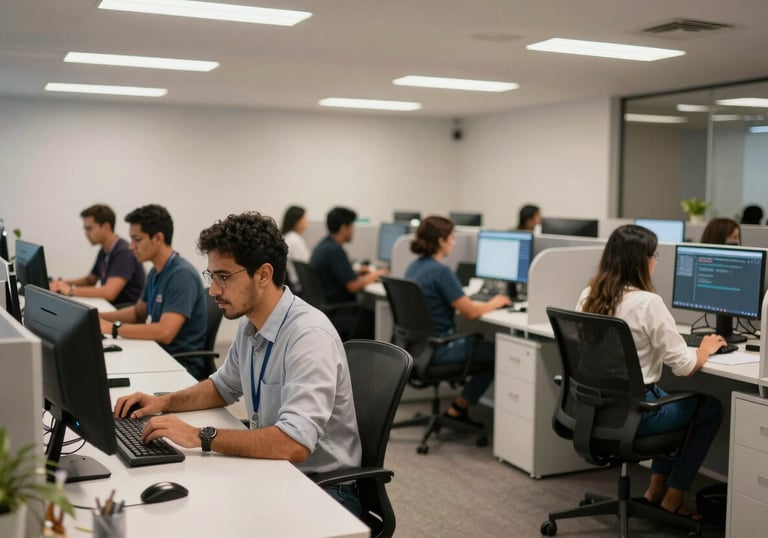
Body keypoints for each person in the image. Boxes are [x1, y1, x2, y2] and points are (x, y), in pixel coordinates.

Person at [113, 212, 362, 514]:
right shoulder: (252, 325)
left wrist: (200, 436)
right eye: (212, 276)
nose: (214, 290)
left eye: (224, 277)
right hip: (276, 471)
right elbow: (221, 387)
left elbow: (293, 444)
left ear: (264, 274)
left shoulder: (308, 336)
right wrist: (162, 402)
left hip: (323, 490)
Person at [577, 224, 724, 520]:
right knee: (709, 408)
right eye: (655, 255)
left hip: (595, 412)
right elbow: (684, 367)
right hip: (635, 418)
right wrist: (704, 350)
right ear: (642, 260)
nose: (656, 261)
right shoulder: (648, 303)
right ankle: (673, 497)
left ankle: (654, 492)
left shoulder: (588, 295)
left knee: (662, 396)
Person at [405, 216, 511, 424]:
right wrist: (497, 301)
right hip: (440, 348)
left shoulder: (414, 267)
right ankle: (458, 408)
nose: (454, 243)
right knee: (499, 353)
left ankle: (459, 406)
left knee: (485, 347)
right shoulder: (441, 271)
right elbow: (471, 312)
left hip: (418, 348)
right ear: (441, 241)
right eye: (452, 238)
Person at [98, 204, 208, 379]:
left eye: (137, 239)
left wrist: (113, 328)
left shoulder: (181, 275)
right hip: (157, 353)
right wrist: (97, 316)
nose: (131, 246)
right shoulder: (155, 272)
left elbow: (165, 332)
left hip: (179, 366)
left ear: (157, 238)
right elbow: (138, 313)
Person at [49, 204, 145, 306]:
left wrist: (70, 291)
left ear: (106, 227)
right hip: (109, 306)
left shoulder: (124, 252)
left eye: (89, 229)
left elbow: (109, 292)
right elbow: (90, 280)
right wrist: (61, 284)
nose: (86, 234)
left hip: (123, 311)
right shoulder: (104, 250)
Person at [310, 206, 388, 303]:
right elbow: (353, 286)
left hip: (327, 306)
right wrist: (376, 274)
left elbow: (334, 275)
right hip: (340, 309)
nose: (353, 230)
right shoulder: (335, 251)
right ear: (344, 228)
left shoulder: (324, 245)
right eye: (352, 226)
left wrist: (357, 272)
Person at [280, 205, 310, 291]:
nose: (307, 221)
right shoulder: (295, 240)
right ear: (297, 221)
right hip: (298, 286)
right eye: (304, 218)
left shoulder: (286, 237)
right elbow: (306, 265)